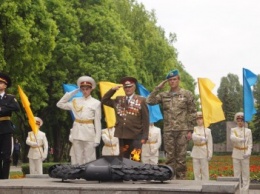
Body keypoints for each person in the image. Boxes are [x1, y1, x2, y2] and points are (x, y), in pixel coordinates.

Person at [146, 69, 197, 179]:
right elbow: (149, 101)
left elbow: (192, 112)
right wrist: (158, 88)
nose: (172, 82)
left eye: (174, 79)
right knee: (169, 159)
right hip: (168, 131)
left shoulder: (187, 94)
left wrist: (190, 130)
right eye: (170, 80)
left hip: (182, 130)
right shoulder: (163, 95)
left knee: (181, 159)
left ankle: (181, 182)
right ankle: (169, 182)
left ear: (178, 80)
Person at [101, 76, 149, 160]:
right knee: (123, 160)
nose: (128, 89)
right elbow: (104, 100)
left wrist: (145, 136)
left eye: (130, 87)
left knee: (136, 160)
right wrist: (112, 90)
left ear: (134, 87)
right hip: (123, 136)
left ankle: (135, 174)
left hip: (136, 137)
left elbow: (145, 119)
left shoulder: (141, 100)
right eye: (125, 87)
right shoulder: (119, 100)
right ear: (123, 88)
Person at [57, 76, 101, 165]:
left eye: (87, 89)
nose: (85, 91)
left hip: (89, 131)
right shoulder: (75, 100)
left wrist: (97, 138)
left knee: (89, 156)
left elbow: (97, 122)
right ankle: (77, 174)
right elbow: (60, 104)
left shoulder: (96, 103)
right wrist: (71, 93)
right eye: (83, 89)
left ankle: (89, 174)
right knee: (78, 156)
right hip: (77, 131)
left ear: (91, 89)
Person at [0, 72, 20, 179]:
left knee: (7, 156)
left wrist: (2, 109)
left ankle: (4, 178)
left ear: (5, 85)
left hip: (5, 127)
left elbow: (16, 108)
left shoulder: (10, 98)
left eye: (0, 83)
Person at [230, 112, 252, 194]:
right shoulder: (233, 130)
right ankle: (238, 191)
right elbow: (232, 138)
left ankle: (245, 191)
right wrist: (240, 139)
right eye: (238, 120)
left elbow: (250, 144)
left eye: (242, 120)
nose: (240, 122)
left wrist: (248, 153)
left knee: (246, 175)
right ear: (236, 121)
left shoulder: (248, 131)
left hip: (245, 154)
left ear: (244, 121)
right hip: (236, 153)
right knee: (237, 175)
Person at [191, 111, 213, 180]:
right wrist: (201, 138)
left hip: (204, 151)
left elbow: (210, 143)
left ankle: (206, 186)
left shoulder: (207, 130)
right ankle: (197, 186)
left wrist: (210, 154)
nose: (199, 120)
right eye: (197, 119)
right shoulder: (194, 129)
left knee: (205, 171)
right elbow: (193, 137)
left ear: (203, 119)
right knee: (196, 172)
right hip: (196, 150)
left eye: (200, 119)